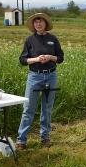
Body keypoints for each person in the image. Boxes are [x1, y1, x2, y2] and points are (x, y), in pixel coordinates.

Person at [16, 13, 64, 149]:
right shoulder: (29, 40)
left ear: (45, 24)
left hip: (51, 76)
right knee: (28, 108)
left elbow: (60, 58)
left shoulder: (53, 39)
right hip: (34, 77)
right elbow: (22, 60)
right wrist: (37, 59)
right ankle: (21, 140)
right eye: (36, 22)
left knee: (47, 108)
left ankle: (45, 137)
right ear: (33, 25)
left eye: (41, 21)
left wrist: (50, 57)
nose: (38, 24)